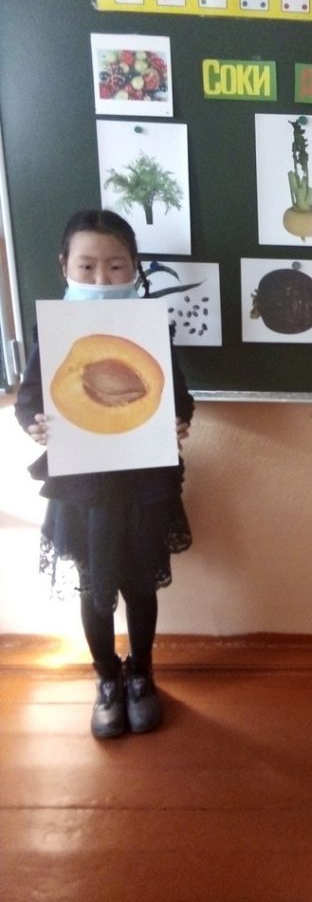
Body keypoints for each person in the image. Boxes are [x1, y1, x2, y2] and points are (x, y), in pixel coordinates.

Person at [14, 209, 194, 739]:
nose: (101, 277)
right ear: (64, 266)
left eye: (116, 266)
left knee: (140, 586)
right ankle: (106, 678)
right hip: (83, 490)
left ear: (134, 268)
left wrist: (178, 421)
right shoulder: (54, 332)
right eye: (87, 266)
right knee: (93, 588)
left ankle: (141, 675)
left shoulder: (151, 328)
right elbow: (28, 400)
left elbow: (178, 397)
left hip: (142, 486)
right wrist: (37, 425)